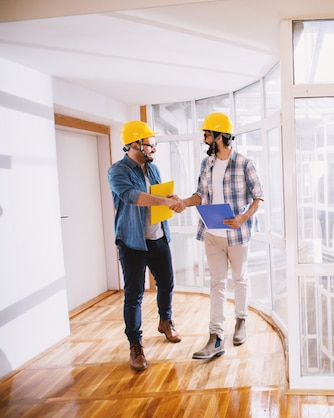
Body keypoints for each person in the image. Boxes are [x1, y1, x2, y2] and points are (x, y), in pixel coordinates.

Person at [182, 112, 264, 361]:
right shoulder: (206, 164)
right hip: (211, 233)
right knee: (216, 283)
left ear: (219, 136)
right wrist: (183, 203)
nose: (204, 139)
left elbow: (258, 196)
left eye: (206, 134)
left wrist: (243, 217)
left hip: (238, 234)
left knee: (240, 279)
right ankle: (216, 336)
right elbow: (200, 194)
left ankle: (241, 320)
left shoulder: (244, 163)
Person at [107, 120, 186, 372]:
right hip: (132, 242)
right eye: (150, 145)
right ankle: (135, 345)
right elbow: (132, 197)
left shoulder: (153, 169)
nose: (154, 150)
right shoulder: (117, 171)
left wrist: (169, 198)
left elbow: (158, 196)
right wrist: (163, 199)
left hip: (158, 236)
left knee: (167, 283)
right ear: (134, 144)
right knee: (134, 296)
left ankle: (165, 321)